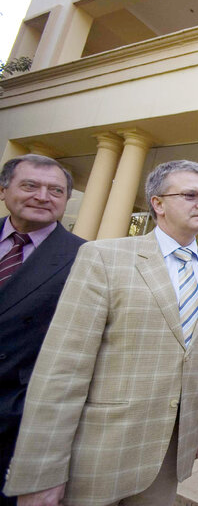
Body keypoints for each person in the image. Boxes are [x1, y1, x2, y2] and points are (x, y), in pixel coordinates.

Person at [3, 160, 198, 506]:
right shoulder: (104, 257)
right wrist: (42, 472)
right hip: (100, 449)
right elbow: (62, 368)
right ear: (158, 204)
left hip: (167, 455)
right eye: (189, 195)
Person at [0, 155, 85, 506]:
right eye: (30, 185)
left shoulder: (85, 257)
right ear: (5, 190)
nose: (43, 196)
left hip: (17, 412)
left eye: (56, 190)